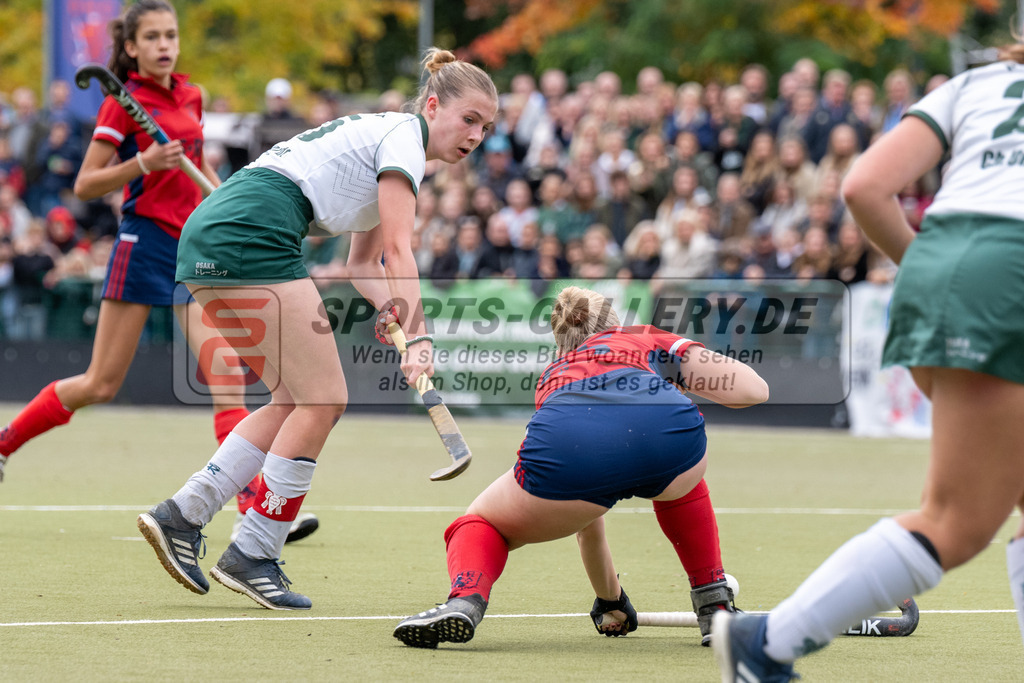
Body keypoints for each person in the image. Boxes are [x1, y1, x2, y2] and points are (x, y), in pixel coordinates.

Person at [136, 47, 498, 611]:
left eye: (487, 128)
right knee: (325, 398)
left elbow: (364, 267)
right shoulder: (406, 140)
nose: (476, 135)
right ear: (432, 105)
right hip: (254, 226)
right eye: (469, 119)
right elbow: (401, 250)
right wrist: (420, 337)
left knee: (292, 401)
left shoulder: (392, 146)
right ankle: (253, 550)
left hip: (218, 230)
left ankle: (182, 514)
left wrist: (392, 309)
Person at [714, 39, 1024, 681]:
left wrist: (939, 279)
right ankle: (766, 643)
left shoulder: (975, 84)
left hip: (944, 269)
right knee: (956, 522)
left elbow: (863, 186)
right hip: (1008, 277)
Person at [0, 0, 317, 542]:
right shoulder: (122, 106)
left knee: (225, 378)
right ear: (132, 47)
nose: (165, 45)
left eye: (171, 35)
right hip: (142, 243)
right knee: (100, 383)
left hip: (193, 246)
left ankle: (249, 503)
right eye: (152, 37)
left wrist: (227, 199)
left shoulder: (190, 95)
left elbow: (198, 160)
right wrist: (144, 163)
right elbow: (86, 184)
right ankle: (4, 443)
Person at [393, 285, 769, 648]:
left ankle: (465, 600)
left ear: (562, 339)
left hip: (570, 452)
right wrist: (672, 373)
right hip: (670, 438)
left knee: (479, 522)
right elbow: (753, 391)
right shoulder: (640, 337)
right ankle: (715, 606)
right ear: (614, 322)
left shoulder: (555, 372)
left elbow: (588, 525)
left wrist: (612, 601)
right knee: (682, 481)